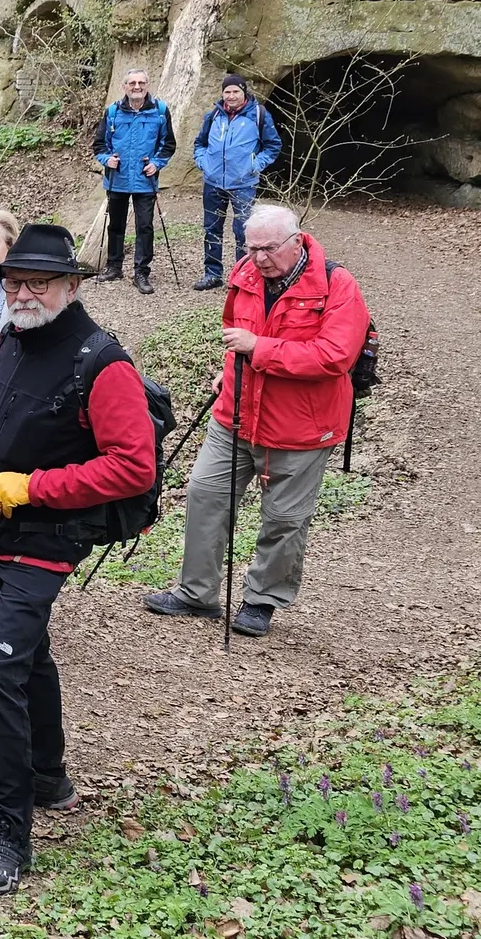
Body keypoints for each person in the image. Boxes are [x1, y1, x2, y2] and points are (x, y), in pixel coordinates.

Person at [0, 223, 156, 896]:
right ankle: (45, 773)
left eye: (39, 281)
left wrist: (33, 487)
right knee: (24, 651)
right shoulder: (11, 334)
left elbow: (132, 466)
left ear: (72, 284)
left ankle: (8, 827)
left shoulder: (101, 361)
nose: (24, 292)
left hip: (48, 536)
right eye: (14, 280)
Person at [143, 203, 370, 638]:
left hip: (300, 429)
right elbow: (235, 333)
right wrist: (229, 369)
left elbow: (334, 356)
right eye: (252, 247)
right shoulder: (245, 273)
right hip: (236, 414)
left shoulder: (337, 285)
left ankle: (262, 600)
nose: (259, 257)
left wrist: (258, 349)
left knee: (285, 518)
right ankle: (196, 593)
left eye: (268, 248)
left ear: (295, 240)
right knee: (205, 494)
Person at [192, 73, 283, 291]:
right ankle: (212, 274)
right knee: (211, 229)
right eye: (227, 92)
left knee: (243, 230)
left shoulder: (258, 115)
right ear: (222, 93)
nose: (231, 96)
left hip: (243, 183)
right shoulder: (213, 115)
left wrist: (255, 165)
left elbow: (273, 145)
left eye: (236, 91)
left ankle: (242, 276)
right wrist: (204, 162)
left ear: (244, 93)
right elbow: (199, 143)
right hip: (213, 182)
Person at [91, 70, 175, 295]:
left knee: (145, 227)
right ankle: (114, 266)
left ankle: (141, 272)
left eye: (141, 82)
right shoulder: (112, 112)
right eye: (132, 83)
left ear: (147, 85)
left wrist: (156, 164)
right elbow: (99, 145)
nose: (137, 86)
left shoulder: (159, 111)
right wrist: (107, 159)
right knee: (116, 225)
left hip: (144, 180)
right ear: (124, 86)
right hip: (117, 179)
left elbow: (168, 145)